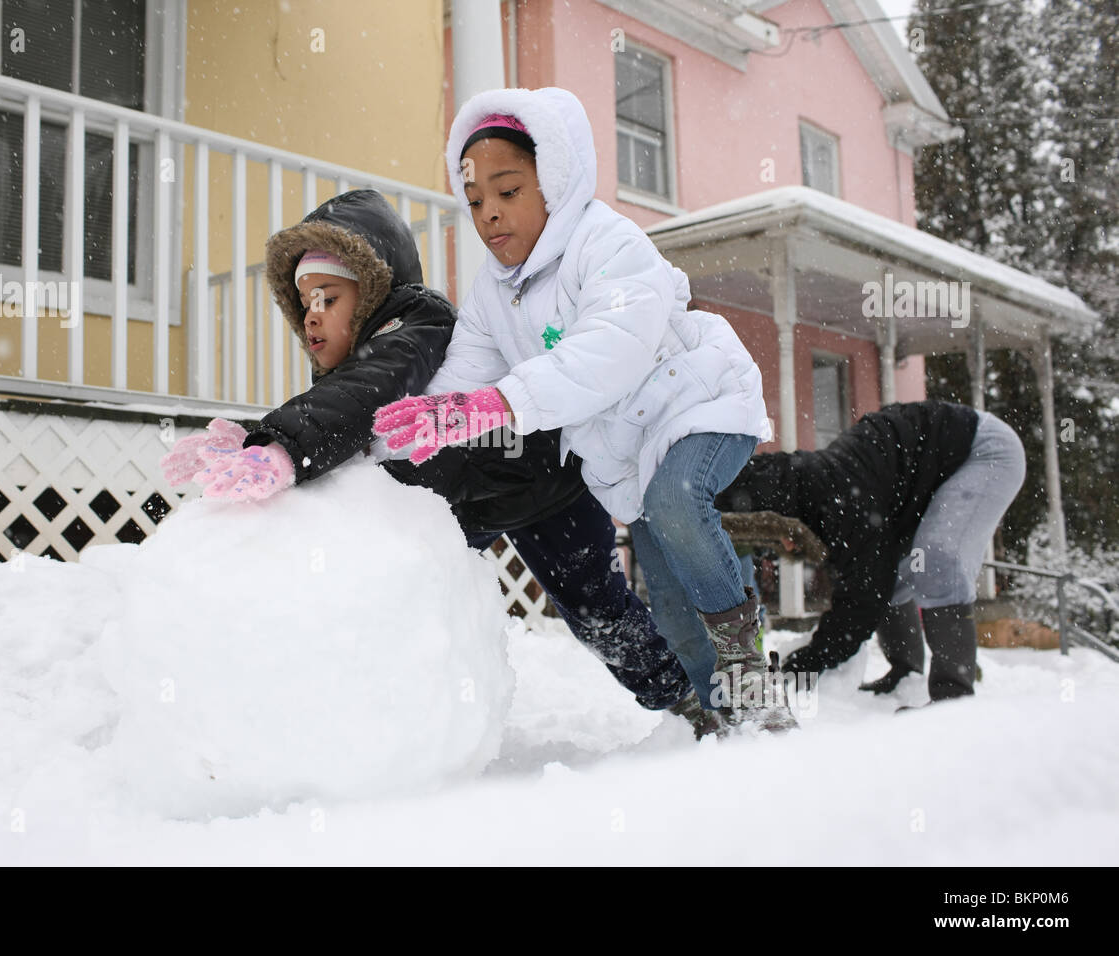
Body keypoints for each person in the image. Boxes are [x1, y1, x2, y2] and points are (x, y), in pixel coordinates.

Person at [160, 188, 701, 724]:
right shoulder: (352, 365)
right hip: (467, 498)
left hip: (544, 480)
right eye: (304, 303)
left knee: (596, 610)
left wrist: (279, 446)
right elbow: (340, 413)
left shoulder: (415, 328)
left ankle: (683, 697)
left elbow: (361, 395)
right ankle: (387, 714)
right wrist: (253, 439)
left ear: (373, 291)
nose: (312, 316)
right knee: (405, 585)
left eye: (328, 297)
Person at [372, 88, 792, 732]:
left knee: (681, 502)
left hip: (697, 403)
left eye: (508, 192)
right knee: (672, 601)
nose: (489, 214)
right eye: (476, 200)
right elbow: (462, 373)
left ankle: (748, 677)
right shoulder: (494, 292)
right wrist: (392, 439)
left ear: (556, 182)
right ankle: (718, 721)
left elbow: (611, 351)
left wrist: (496, 404)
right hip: (629, 456)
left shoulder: (608, 243)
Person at [714, 400, 1026, 703]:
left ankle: (953, 694)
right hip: (930, 468)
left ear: (792, 520)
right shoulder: (813, 486)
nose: (787, 549)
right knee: (894, 574)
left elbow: (862, 602)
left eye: (784, 540)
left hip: (986, 451)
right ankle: (905, 673)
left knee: (936, 560)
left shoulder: (840, 503)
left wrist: (808, 661)